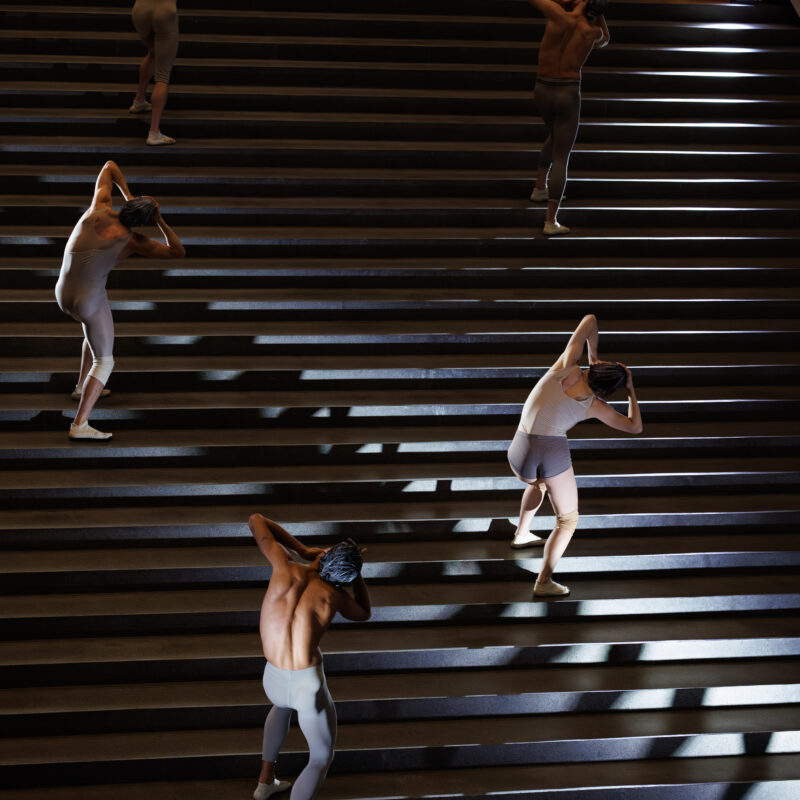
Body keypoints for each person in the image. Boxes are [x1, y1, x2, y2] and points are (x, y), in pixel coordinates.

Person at [507, 314, 642, 596]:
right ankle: (543, 582)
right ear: (607, 391)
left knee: (539, 482)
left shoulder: (566, 365)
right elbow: (634, 427)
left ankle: (521, 534)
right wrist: (630, 391)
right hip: (548, 452)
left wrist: (594, 357)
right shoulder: (594, 405)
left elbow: (590, 320)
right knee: (568, 520)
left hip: (518, 453)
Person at [55, 160, 185, 440]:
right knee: (106, 360)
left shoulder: (99, 206)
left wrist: (129, 196)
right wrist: (160, 220)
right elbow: (177, 252)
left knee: (94, 333)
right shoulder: (133, 240)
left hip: (63, 293)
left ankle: (81, 385)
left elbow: (109, 166)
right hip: (87, 301)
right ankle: (80, 424)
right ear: (144, 222)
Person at [249, 513, 371, 800]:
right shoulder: (335, 596)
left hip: (273, 676)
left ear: (326, 554)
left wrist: (302, 550)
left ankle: (265, 782)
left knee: (280, 706)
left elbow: (256, 520)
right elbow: (364, 613)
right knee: (320, 757)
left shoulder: (283, 567)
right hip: (307, 685)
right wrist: (358, 574)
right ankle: (269, 783)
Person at [527, 0, 610, 235]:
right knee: (562, 157)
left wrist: (567, 4)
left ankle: (539, 188)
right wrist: (599, 14)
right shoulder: (592, 32)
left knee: (554, 135)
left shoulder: (556, 15)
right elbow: (606, 39)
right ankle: (550, 221)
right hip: (567, 91)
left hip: (542, 88)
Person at [129, 0, 179, 145]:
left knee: (153, 52)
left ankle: (139, 100)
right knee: (163, 75)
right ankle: (154, 132)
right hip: (164, 10)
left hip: (140, 9)